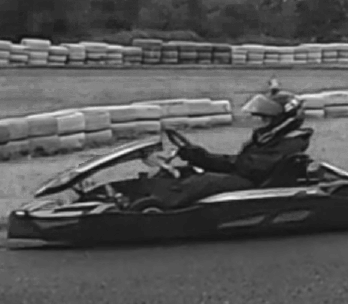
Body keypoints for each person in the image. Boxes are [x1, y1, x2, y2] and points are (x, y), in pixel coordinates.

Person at [131, 82, 311, 211]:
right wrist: (197, 156)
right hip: (246, 177)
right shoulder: (270, 139)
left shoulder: (289, 144)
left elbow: (244, 167)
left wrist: (205, 160)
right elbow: (237, 163)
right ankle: (141, 193)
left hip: (254, 185)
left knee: (204, 181)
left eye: (265, 119)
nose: (260, 123)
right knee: (187, 172)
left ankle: (155, 208)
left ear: (282, 121)